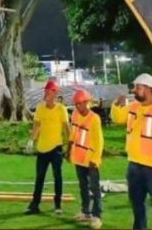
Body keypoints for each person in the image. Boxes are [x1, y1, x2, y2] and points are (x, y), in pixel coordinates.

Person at [111, 74, 152, 230]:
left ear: (150, 89)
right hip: (134, 165)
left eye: (138, 87)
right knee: (136, 204)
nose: (134, 91)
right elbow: (117, 118)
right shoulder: (133, 107)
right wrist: (116, 106)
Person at [25, 79, 69, 216]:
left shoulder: (61, 109)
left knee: (58, 177)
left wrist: (70, 145)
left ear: (55, 93)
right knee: (40, 177)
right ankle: (35, 204)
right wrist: (31, 141)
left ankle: (57, 204)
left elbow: (67, 128)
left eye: (49, 91)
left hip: (56, 148)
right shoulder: (40, 108)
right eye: (46, 91)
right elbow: (36, 126)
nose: (46, 94)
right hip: (42, 148)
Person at [68, 89, 103, 230]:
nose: (77, 107)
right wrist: (69, 150)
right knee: (83, 186)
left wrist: (95, 159)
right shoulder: (75, 115)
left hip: (90, 159)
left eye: (80, 104)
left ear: (87, 103)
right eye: (76, 104)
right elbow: (73, 133)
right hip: (78, 157)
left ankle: (97, 215)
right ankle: (85, 212)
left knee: (94, 188)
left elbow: (99, 141)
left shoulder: (94, 119)